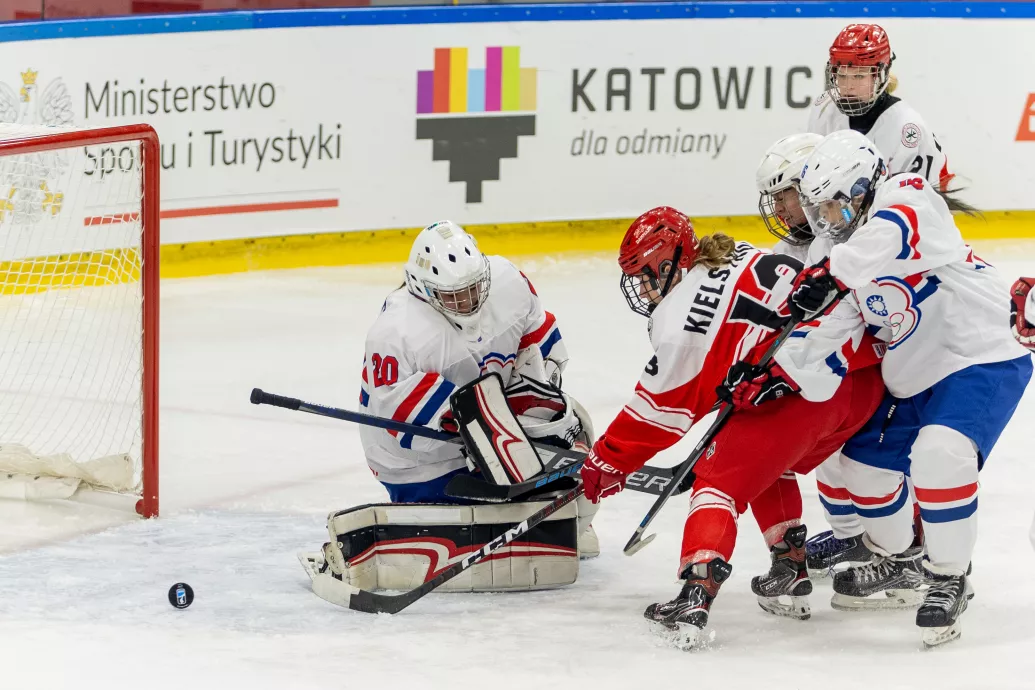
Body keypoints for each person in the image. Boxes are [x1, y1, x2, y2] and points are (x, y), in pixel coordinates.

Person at [577, 206, 885, 650]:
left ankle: (694, 596)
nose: (642, 288)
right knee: (762, 459)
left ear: (668, 264)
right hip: (861, 380)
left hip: (803, 390)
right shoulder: (735, 253)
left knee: (716, 482)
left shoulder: (678, 320)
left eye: (645, 275)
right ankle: (790, 568)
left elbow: (659, 413)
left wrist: (608, 460)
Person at [789, 130, 1032, 647]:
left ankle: (949, 576)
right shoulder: (837, 248)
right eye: (818, 210)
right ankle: (902, 561)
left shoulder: (908, 196)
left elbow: (888, 236)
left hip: (980, 356)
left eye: (832, 206)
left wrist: (832, 273)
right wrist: (775, 371)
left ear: (861, 190)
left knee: (940, 454)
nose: (825, 220)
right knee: (861, 466)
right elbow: (832, 325)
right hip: (915, 373)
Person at [804, 23, 958, 571]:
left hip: (902, 275)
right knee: (838, 414)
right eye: (842, 72)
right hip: (851, 268)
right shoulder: (824, 112)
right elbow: (822, 199)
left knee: (896, 419)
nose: (849, 83)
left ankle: (912, 534)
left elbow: (903, 222)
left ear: (883, 73)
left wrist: (842, 273)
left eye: (862, 73)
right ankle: (854, 532)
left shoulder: (906, 130)